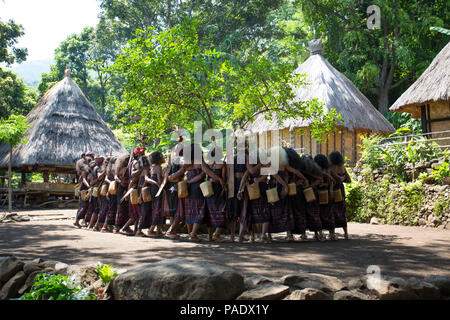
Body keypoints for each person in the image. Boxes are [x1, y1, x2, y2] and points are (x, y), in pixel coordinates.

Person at [119, 148, 147, 235]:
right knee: (136, 212)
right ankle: (124, 228)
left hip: (133, 187)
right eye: (142, 154)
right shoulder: (135, 162)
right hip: (134, 188)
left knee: (136, 211)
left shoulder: (135, 162)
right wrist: (142, 169)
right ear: (138, 155)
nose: (144, 155)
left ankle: (136, 230)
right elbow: (133, 174)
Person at [202, 146, 227, 242]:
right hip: (218, 188)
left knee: (210, 211)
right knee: (220, 210)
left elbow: (206, 176)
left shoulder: (209, 164)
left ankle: (210, 236)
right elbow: (224, 178)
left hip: (208, 188)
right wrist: (222, 183)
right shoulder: (222, 164)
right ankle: (217, 234)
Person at [183, 143, 207, 242]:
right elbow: (202, 175)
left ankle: (190, 233)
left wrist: (188, 182)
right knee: (199, 209)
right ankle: (193, 234)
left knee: (190, 209)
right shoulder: (200, 161)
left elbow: (183, 173)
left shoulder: (186, 163)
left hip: (188, 188)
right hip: (198, 187)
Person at [284, 148, 310, 240]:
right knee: (300, 211)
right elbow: (301, 176)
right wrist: (300, 182)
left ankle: (289, 234)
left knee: (289, 211)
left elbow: (289, 176)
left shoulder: (286, 165)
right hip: (299, 190)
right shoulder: (300, 164)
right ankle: (303, 233)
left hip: (290, 190)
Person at [314, 154, 337, 240]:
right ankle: (332, 234)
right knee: (329, 214)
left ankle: (319, 234)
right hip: (327, 193)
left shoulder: (316, 170)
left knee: (318, 213)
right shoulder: (329, 169)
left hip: (318, 193)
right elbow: (333, 182)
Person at [302, 155, 325, 241]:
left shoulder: (303, 169)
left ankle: (305, 234)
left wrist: (308, 186)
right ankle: (318, 233)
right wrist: (312, 186)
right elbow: (320, 179)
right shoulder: (315, 169)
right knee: (314, 212)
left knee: (305, 213)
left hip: (305, 192)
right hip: (313, 192)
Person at [329, 151, 351, 240]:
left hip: (333, 190)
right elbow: (349, 180)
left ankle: (332, 234)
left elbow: (331, 179)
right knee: (342, 211)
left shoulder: (331, 168)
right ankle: (346, 233)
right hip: (341, 190)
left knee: (331, 211)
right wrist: (342, 179)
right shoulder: (343, 168)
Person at [146, 151, 166, 237]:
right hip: (158, 189)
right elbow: (159, 180)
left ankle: (159, 230)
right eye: (162, 156)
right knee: (158, 208)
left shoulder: (152, 168)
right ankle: (151, 230)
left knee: (155, 207)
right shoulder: (158, 167)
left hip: (153, 189)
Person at [113, 153, 131, 233]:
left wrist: (120, 182)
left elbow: (115, 177)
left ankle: (119, 226)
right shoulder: (125, 169)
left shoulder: (119, 168)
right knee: (122, 208)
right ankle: (119, 226)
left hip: (121, 188)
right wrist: (122, 182)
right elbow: (116, 177)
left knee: (121, 208)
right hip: (124, 189)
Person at [74, 154, 92, 228]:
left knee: (86, 205)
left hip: (86, 188)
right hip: (84, 189)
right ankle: (76, 221)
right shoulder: (84, 169)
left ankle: (84, 221)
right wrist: (89, 186)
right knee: (84, 206)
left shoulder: (87, 169)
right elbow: (84, 180)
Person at [101, 156, 118, 233]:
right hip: (112, 190)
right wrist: (113, 182)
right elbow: (109, 179)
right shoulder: (113, 169)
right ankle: (104, 227)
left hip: (110, 189)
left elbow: (106, 179)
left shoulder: (109, 169)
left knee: (110, 209)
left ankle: (108, 226)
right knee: (111, 209)